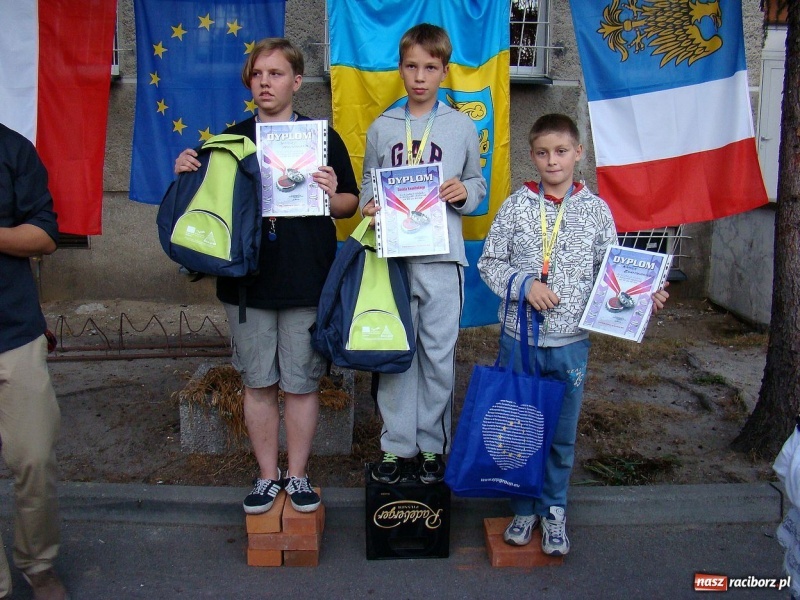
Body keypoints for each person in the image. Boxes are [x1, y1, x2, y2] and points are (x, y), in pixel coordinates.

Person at [174, 38, 359, 514]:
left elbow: (348, 207)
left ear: (296, 81)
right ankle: (266, 476)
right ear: (249, 82)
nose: (265, 82)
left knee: (301, 382)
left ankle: (297, 476)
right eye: (258, 74)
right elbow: (202, 205)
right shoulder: (229, 141)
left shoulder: (323, 139)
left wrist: (333, 190)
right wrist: (186, 171)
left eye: (276, 74)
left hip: (305, 277)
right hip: (248, 279)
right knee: (257, 382)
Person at [477, 113, 669, 556]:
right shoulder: (516, 206)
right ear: (531, 156)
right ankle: (523, 508)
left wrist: (644, 295)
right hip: (519, 339)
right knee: (518, 429)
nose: (552, 161)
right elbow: (489, 263)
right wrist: (525, 285)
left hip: (571, 344)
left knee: (562, 432)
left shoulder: (596, 210)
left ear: (578, 153)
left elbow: (613, 273)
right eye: (542, 153)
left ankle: (554, 510)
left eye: (561, 151)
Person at [360, 23, 486, 485]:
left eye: (430, 67)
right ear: (399, 69)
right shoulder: (382, 128)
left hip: (441, 259)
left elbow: (478, 185)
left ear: (444, 71)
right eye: (411, 66)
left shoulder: (460, 126)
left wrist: (462, 192)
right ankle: (397, 444)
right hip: (392, 261)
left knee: (437, 353)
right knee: (397, 351)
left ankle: (432, 444)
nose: (419, 76)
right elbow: (367, 187)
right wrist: (370, 206)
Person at [0, 123, 67, 599]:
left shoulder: (12, 149)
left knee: (35, 459)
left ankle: (37, 563)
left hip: (13, 333)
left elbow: (44, 235)